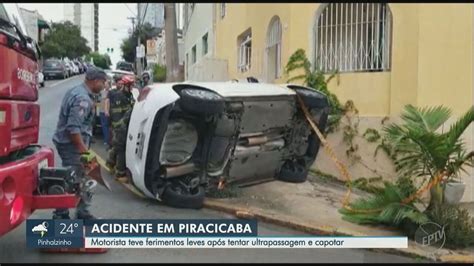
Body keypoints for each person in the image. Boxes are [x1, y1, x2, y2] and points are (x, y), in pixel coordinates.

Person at [52, 67, 107, 220]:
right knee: (72, 179)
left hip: (72, 143)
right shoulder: (83, 99)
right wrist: (84, 151)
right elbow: (73, 128)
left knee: (82, 178)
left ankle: (81, 212)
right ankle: (61, 215)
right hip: (72, 146)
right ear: (95, 81)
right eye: (103, 82)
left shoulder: (75, 91)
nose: (104, 86)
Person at [106, 75, 135, 182]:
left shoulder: (129, 95)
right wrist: (120, 127)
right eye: (130, 85)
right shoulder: (119, 97)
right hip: (120, 127)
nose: (132, 87)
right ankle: (120, 173)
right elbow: (116, 115)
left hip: (126, 126)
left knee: (117, 147)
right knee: (121, 148)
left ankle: (110, 161)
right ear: (125, 85)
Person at [98, 79, 111, 146]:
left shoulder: (110, 93)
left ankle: (107, 140)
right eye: (105, 85)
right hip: (101, 111)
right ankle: (106, 139)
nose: (105, 86)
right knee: (103, 126)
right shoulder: (101, 92)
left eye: (107, 85)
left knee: (106, 126)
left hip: (106, 112)